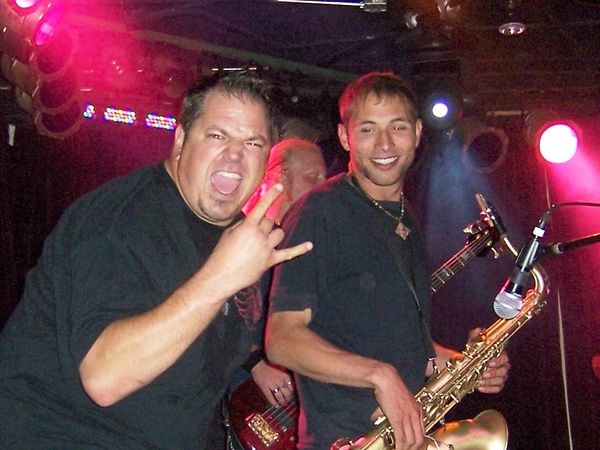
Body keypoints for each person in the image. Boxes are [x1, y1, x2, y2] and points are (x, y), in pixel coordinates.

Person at [0, 72, 312, 449]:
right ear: (180, 140)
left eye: (253, 142)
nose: (234, 154)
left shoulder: (246, 239)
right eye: (217, 136)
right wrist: (220, 277)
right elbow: (105, 378)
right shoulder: (119, 220)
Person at [265, 71, 511, 450]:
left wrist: (465, 364)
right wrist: (379, 376)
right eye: (368, 129)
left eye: (397, 127)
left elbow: (402, 346)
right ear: (345, 137)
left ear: (417, 133)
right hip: (345, 440)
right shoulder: (320, 211)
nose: (384, 143)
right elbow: (281, 339)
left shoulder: (405, 217)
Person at [242, 138, 327, 407]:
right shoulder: (242, 235)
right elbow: (217, 316)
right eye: (312, 178)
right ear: (280, 178)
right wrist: (255, 364)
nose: (323, 187)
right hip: (236, 388)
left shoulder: (305, 243)